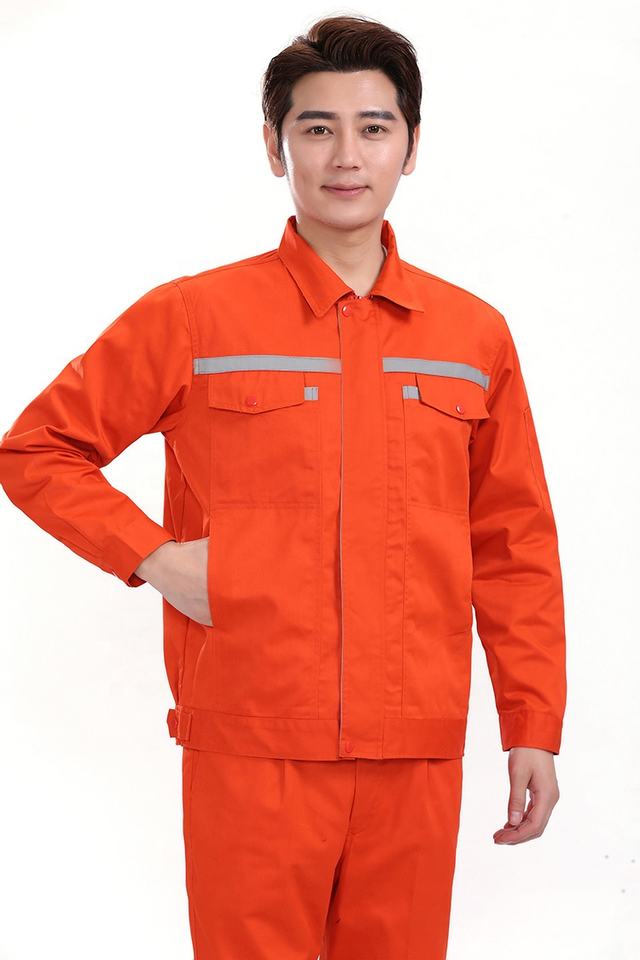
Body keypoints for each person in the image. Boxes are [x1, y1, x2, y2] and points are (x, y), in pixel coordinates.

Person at [0, 13, 566, 960]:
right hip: (250, 744)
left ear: (411, 147)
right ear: (275, 147)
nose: (346, 155)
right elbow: (37, 449)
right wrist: (154, 557)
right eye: (317, 127)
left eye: (374, 127)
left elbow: (515, 544)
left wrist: (533, 725)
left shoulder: (473, 337)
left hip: (415, 748)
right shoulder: (195, 316)